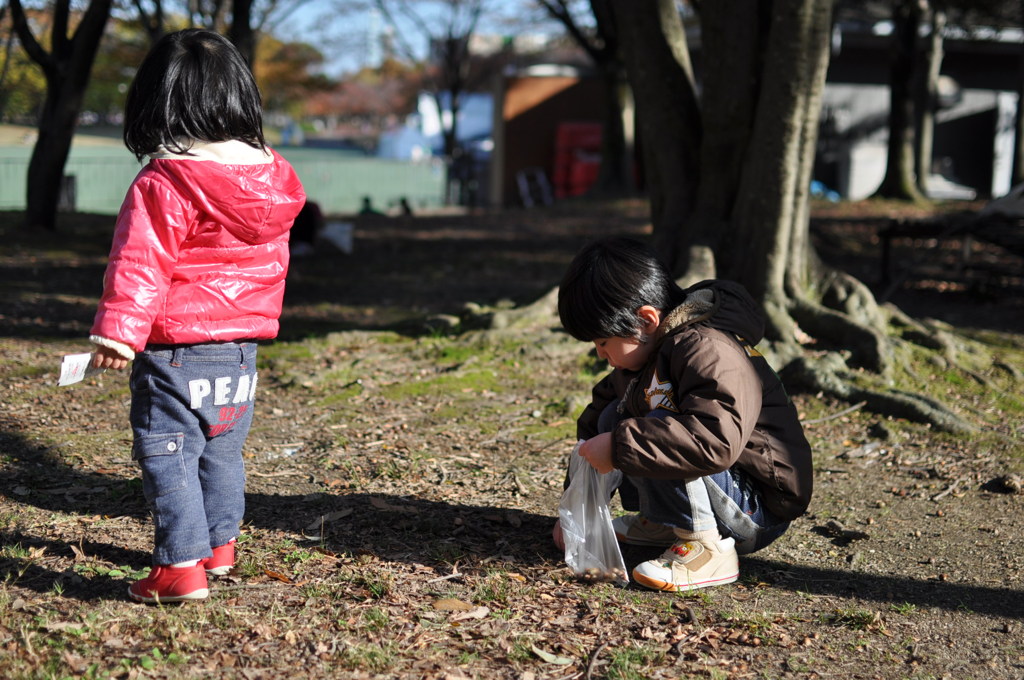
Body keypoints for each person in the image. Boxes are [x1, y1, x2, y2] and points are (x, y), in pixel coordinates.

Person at [89, 29, 306, 603]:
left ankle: (179, 567)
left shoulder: (167, 180)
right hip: (242, 346)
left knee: (169, 453)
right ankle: (219, 546)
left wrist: (119, 331)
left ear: (156, 101)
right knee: (222, 449)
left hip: (175, 347)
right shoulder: (272, 180)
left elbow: (141, 260)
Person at [551, 237, 813, 592]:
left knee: (652, 425)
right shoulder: (644, 357)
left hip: (757, 509)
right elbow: (595, 422)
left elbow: (713, 440)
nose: (600, 354)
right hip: (722, 488)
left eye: (603, 342)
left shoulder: (708, 349)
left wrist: (615, 447)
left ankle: (705, 548)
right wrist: (575, 511)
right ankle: (664, 521)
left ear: (645, 320)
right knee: (614, 416)